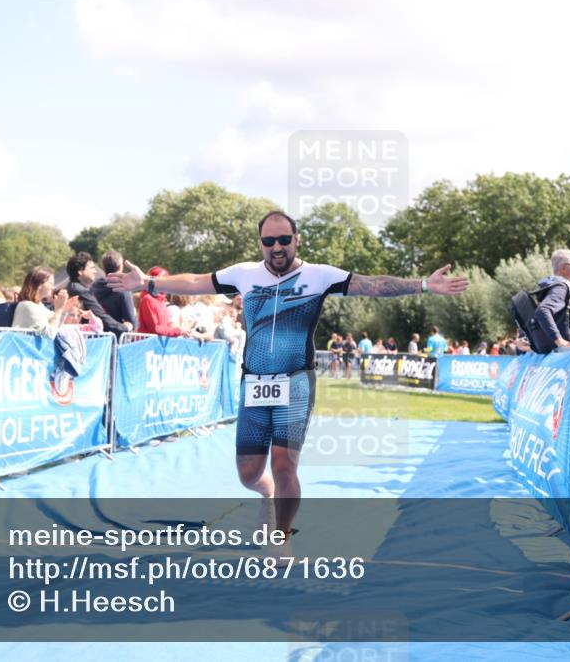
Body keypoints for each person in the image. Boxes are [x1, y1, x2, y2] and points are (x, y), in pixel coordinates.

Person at [106, 210, 467, 547]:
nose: (276, 247)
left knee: (283, 463)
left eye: (283, 240)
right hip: (255, 382)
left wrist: (422, 285)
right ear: (260, 243)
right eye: (268, 241)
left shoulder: (319, 275)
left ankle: (282, 537)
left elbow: (372, 285)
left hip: (296, 381)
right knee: (249, 473)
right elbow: (199, 282)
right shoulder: (244, 274)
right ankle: (267, 494)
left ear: (297, 239)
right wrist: (149, 284)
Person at [65, 252, 132, 337]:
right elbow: (100, 315)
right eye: (92, 268)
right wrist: (123, 327)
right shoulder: (80, 290)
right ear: (80, 271)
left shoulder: (73, 287)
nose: (95, 271)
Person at [12, 266, 79, 338]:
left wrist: (63, 309)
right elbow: (49, 334)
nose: (53, 287)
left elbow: (55, 325)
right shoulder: (28, 306)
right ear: (39, 285)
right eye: (51, 283)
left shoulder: (39, 306)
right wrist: (59, 310)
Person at [92, 250, 138, 331]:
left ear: (103, 267)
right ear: (121, 267)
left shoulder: (92, 288)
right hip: (117, 338)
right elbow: (131, 323)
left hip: (95, 338)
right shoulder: (123, 289)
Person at [137, 266, 188, 337]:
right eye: (163, 281)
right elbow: (155, 329)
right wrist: (178, 331)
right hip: (148, 346)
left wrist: (184, 330)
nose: (166, 284)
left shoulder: (161, 301)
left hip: (158, 345)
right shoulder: (148, 299)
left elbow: (165, 327)